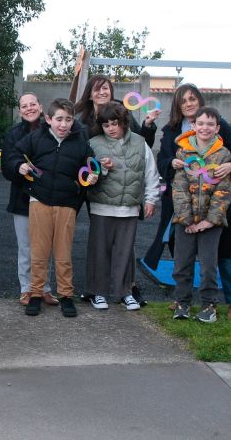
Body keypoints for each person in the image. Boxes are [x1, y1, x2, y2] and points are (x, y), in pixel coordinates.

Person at [142, 84, 231, 320]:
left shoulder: (217, 125)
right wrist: (171, 163)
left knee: (223, 252)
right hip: (182, 201)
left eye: (192, 98)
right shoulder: (171, 131)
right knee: (181, 252)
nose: (189, 103)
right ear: (178, 106)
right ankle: (183, 298)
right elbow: (163, 158)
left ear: (199, 100)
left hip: (214, 201)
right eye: (184, 100)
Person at [13, 98, 98, 318]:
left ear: (73, 121)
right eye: (59, 119)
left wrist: (91, 176)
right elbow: (14, 154)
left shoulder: (80, 142)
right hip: (39, 200)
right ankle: (35, 294)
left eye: (68, 119)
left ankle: (66, 296)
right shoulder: (36, 137)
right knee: (38, 251)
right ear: (48, 119)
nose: (63, 124)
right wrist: (19, 165)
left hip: (67, 203)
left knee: (63, 252)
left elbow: (90, 166)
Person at [85, 102, 159, 311]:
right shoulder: (93, 143)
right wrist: (101, 170)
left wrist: (151, 199)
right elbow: (89, 175)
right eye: (106, 125)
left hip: (130, 208)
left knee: (125, 253)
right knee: (99, 251)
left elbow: (151, 173)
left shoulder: (140, 142)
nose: (111, 128)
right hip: (101, 207)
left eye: (115, 123)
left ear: (124, 122)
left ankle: (125, 292)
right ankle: (98, 293)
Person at [170, 107, 231, 323]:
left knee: (208, 265)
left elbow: (223, 192)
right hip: (184, 222)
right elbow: (178, 188)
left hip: (210, 224)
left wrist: (208, 221)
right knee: (182, 264)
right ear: (194, 126)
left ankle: (208, 305)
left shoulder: (223, 155)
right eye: (201, 123)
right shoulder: (183, 152)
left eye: (210, 124)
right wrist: (187, 219)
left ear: (217, 128)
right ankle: (182, 303)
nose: (205, 127)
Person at [1, 93, 57, 307]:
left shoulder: (52, 130)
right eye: (24, 106)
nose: (29, 108)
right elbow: (7, 166)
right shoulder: (14, 134)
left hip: (48, 196)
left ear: (41, 107)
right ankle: (26, 289)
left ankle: (44, 288)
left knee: (46, 247)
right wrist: (18, 167)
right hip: (22, 198)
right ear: (20, 111)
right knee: (26, 248)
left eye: (33, 104)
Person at [74, 74, 158, 146]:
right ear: (90, 95)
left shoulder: (124, 113)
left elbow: (144, 144)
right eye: (96, 89)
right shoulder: (82, 121)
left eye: (105, 88)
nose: (102, 92)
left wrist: (147, 125)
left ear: (111, 92)